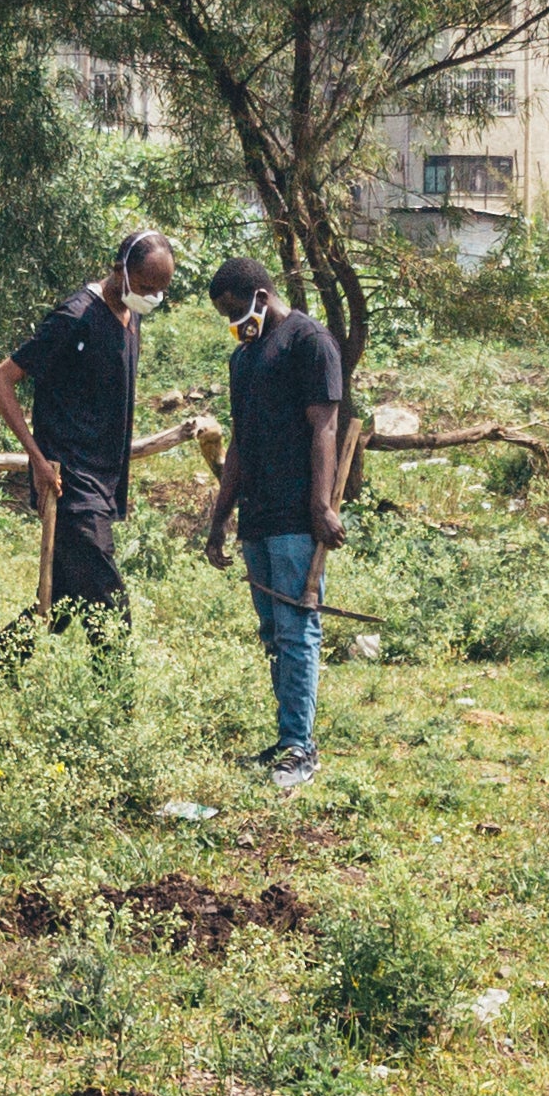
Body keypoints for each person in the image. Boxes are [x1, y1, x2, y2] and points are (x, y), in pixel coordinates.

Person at [194, 256, 343, 786]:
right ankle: (289, 739)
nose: (233, 322)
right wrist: (220, 519)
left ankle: (301, 749)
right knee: (272, 633)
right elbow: (238, 442)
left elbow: (324, 429)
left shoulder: (310, 342)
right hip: (256, 518)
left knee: (298, 629)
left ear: (261, 293)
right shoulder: (244, 358)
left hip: (296, 517)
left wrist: (321, 506)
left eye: (235, 310)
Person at [0, 231, 174, 628]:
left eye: (160, 290)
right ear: (117, 269)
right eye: (144, 286)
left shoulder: (130, 313)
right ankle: (116, 689)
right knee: (110, 610)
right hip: (69, 484)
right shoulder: (73, 318)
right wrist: (37, 461)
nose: (152, 296)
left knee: (56, 605)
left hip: (104, 482)